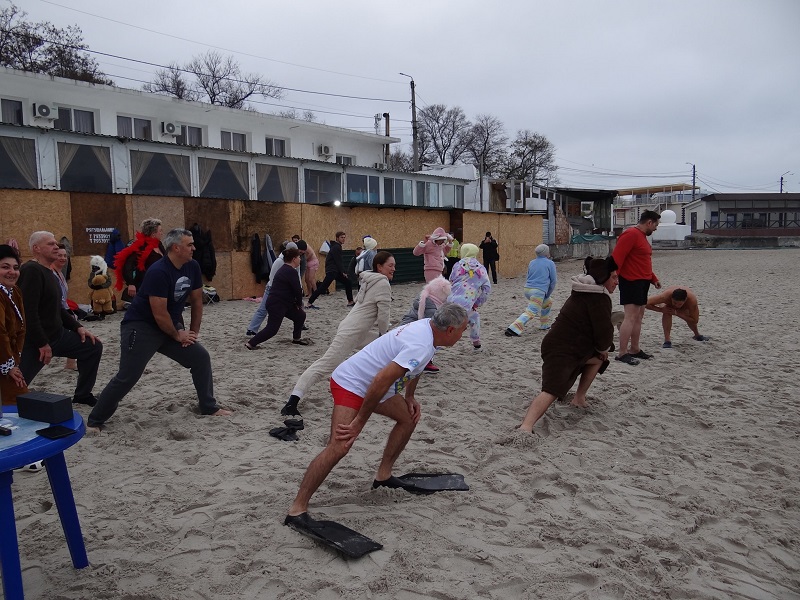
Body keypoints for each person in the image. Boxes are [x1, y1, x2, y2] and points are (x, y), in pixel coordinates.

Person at [285, 303, 468, 520]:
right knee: (340, 445)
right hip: (351, 383)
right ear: (450, 330)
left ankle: (383, 476)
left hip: (376, 386)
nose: (463, 334)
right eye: (463, 330)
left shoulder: (430, 331)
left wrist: (409, 396)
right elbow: (380, 380)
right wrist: (359, 421)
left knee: (408, 418)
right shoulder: (421, 343)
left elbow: (416, 366)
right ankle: (298, 508)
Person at [87, 229, 232, 431]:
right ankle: (95, 421)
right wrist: (177, 334)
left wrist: (192, 332)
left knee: (200, 358)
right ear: (176, 248)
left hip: (170, 325)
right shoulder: (159, 271)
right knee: (128, 376)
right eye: (189, 244)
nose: (194, 248)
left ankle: (208, 406)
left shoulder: (192, 266)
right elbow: (159, 313)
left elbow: (197, 301)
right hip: (141, 326)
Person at [281, 251, 396, 416]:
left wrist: (383, 335)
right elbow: (384, 317)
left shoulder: (371, 280)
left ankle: (377, 391)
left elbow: (368, 309)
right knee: (324, 366)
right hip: (352, 332)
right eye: (390, 265)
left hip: (356, 330)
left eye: (394, 266)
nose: (394, 269)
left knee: (387, 352)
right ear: (379, 266)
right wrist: (383, 334)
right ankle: (291, 403)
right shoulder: (382, 283)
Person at [519, 256, 618, 433]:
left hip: (571, 346)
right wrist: (604, 347)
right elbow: (604, 331)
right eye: (614, 277)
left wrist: (603, 350)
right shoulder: (599, 298)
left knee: (598, 359)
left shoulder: (584, 291)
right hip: (562, 349)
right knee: (551, 390)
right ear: (603, 278)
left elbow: (598, 329)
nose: (617, 282)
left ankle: (579, 398)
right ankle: (526, 427)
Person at [18, 232, 103, 407]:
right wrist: (42, 343)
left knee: (92, 346)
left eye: (56, 243)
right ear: (37, 249)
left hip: (58, 336)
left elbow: (58, 308)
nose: (56, 246)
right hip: (35, 342)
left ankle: (82, 395)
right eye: (50, 244)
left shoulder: (50, 271)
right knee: (15, 386)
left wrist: (78, 327)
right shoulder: (31, 271)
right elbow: (28, 312)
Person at [612, 210, 662, 366]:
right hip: (631, 281)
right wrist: (614, 278)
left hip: (642, 282)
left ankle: (634, 349)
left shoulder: (641, 237)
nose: (655, 228)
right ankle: (622, 353)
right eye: (656, 225)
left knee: (639, 317)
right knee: (630, 317)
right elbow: (617, 258)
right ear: (649, 222)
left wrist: (653, 279)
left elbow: (642, 261)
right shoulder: (631, 234)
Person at [245, 248, 309, 349]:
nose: (300, 259)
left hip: (284, 304)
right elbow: (298, 290)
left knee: (300, 316)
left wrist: (296, 304)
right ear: (294, 259)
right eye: (298, 257)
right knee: (272, 329)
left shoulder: (284, 269)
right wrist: (299, 304)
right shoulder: (290, 271)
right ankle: (251, 343)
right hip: (277, 304)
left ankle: (296, 339)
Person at [399, 275, 452, 373]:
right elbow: (432, 327)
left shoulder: (426, 298)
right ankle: (426, 362)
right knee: (431, 338)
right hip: (410, 332)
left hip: (406, 329)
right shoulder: (431, 306)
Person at [246, 241, 297, 336]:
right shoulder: (279, 261)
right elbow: (273, 277)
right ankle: (252, 329)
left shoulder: (291, 260)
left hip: (280, 289)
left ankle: (300, 324)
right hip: (273, 289)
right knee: (263, 309)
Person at [447, 243, 491, 352]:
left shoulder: (457, 265)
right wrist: (478, 302)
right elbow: (487, 289)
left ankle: (434, 347)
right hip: (467, 302)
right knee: (474, 318)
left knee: (446, 322)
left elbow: (450, 281)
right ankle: (476, 342)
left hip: (451, 299)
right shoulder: (481, 268)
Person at [506, 244, 557, 337]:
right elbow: (553, 281)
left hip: (527, 290)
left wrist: (546, 296)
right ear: (546, 253)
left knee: (548, 302)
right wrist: (547, 293)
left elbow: (528, 275)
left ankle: (544, 324)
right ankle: (513, 329)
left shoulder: (532, 262)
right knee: (531, 311)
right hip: (539, 291)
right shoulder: (550, 263)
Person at [0, 244, 28, 406]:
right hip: (3, 358)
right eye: (5, 267)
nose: (12, 272)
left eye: (16, 267)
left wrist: (14, 357)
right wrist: (8, 365)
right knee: (17, 401)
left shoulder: (15, 291)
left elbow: (21, 328)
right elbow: (0, 332)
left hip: (7, 356)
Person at [113, 218, 165, 304]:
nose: (162, 233)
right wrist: (131, 283)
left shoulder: (159, 244)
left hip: (160, 283)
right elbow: (128, 265)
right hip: (145, 284)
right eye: (160, 231)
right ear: (153, 234)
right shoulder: (140, 247)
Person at [306, 231, 354, 309]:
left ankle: (350, 301)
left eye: (344, 237)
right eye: (342, 237)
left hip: (335, 270)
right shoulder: (336, 247)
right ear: (337, 238)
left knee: (348, 282)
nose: (343, 239)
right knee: (322, 287)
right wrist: (343, 272)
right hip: (332, 270)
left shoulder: (336, 246)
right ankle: (309, 303)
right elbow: (338, 261)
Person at [52, 244, 78, 370]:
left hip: (63, 309)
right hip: (56, 311)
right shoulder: (51, 273)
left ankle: (70, 363)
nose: (63, 258)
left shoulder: (60, 273)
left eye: (64, 256)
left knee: (76, 332)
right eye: (59, 255)